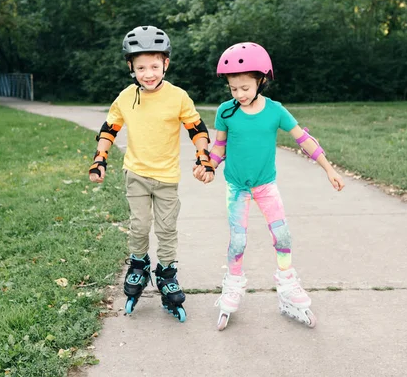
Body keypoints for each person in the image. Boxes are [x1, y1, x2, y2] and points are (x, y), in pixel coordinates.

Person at [193, 42, 345, 330]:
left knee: (283, 237)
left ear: (261, 81)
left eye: (245, 87)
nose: (238, 94)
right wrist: (208, 167)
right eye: (233, 88)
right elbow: (219, 148)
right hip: (237, 188)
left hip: (266, 187)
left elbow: (303, 139)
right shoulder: (226, 112)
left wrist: (329, 168)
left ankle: (287, 285)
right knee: (237, 241)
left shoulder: (275, 111)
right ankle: (233, 285)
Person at [89, 25, 215, 322]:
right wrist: (100, 158)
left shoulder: (178, 97)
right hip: (136, 173)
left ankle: (167, 271)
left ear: (165, 64)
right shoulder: (125, 97)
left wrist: (203, 155)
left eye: (155, 66)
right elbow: (109, 128)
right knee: (139, 224)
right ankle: (139, 265)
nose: (148, 73)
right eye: (141, 66)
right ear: (130, 66)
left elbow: (196, 128)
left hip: (167, 178)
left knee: (167, 228)